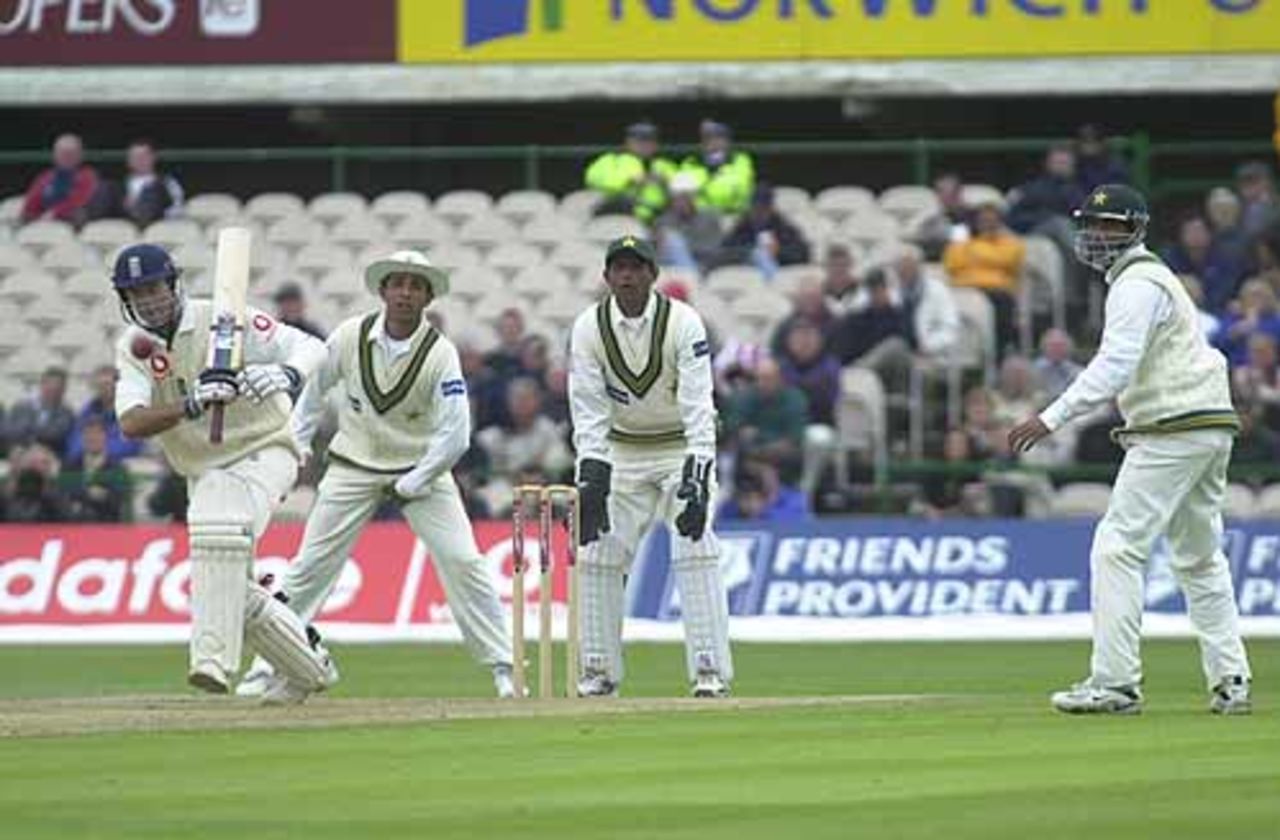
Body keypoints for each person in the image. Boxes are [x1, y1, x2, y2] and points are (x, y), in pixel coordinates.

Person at [1009, 184, 1253, 716]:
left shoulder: (1137, 283)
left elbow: (1115, 364)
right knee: (1198, 556)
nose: (1097, 235)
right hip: (1207, 425)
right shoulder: (1150, 279)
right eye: (1092, 225)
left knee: (1116, 546)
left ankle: (1115, 683)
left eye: (1110, 226)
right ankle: (1231, 678)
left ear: (1135, 230)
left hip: (1173, 427)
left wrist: (1050, 417)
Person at [237, 251, 517, 699]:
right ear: (383, 290)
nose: (405, 292)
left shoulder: (440, 353)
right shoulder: (350, 336)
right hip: (353, 465)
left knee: (464, 560)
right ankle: (268, 663)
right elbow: (313, 395)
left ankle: (505, 668)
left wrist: (418, 477)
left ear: (427, 296)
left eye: (415, 286)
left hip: (421, 470)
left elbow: (456, 433)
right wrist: (293, 450)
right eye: (398, 284)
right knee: (309, 567)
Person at [110, 243, 336, 704]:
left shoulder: (222, 317)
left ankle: (211, 659)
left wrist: (288, 375)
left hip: (266, 448)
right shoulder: (134, 347)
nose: (148, 300)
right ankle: (310, 666)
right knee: (233, 580)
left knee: (215, 527)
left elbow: (311, 347)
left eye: (154, 288)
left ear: (173, 285)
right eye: (136, 293)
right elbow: (131, 422)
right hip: (205, 467)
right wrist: (191, 402)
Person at [568, 236, 734, 697]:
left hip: (680, 447)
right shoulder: (588, 327)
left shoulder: (683, 323)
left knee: (694, 546)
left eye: (636, 267)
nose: (627, 276)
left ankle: (710, 671)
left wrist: (698, 478)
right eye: (618, 268)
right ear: (606, 277)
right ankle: (598, 672)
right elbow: (587, 409)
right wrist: (592, 475)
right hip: (621, 451)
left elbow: (700, 404)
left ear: (652, 275)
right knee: (597, 553)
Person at [943, 201, 1026, 356]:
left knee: (1002, 302)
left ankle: (998, 355)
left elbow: (1007, 260)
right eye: (984, 221)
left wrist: (973, 253)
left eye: (992, 221)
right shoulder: (962, 241)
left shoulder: (1012, 242)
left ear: (1000, 222)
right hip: (965, 291)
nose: (988, 225)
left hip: (997, 292)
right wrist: (985, 254)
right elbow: (951, 264)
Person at [584, 122, 677, 223]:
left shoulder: (665, 165)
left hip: (658, 220)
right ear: (627, 142)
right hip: (620, 217)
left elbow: (683, 192)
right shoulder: (612, 160)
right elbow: (592, 179)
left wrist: (666, 183)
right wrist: (629, 180)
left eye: (649, 141)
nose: (644, 145)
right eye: (639, 141)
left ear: (656, 145)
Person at [715, 185, 810, 279]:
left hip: (778, 273)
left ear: (771, 208)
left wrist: (778, 252)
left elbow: (803, 254)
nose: (759, 214)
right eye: (755, 209)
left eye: (763, 209)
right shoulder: (741, 227)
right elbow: (723, 252)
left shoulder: (783, 227)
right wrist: (749, 253)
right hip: (746, 273)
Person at [61, 415, 131, 522]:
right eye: (88, 433)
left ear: (105, 436)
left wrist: (81, 493)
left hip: (105, 527)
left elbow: (116, 502)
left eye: (97, 433)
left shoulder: (118, 468)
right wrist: (92, 493)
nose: (92, 437)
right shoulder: (70, 465)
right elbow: (63, 495)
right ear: (82, 436)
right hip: (73, 525)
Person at [678, 120, 755, 217]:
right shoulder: (690, 162)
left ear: (727, 141)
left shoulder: (740, 160)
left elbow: (738, 189)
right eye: (707, 138)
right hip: (698, 219)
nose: (713, 143)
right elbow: (684, 194)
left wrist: (703, 190)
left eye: (718, 138)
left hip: (731, 216)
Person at [20, 133, 101, 226]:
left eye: (72, 153)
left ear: (80, 155)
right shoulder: (45, 177)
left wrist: (54, 213)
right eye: (62, 153)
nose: (67, 157)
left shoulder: (88, 176)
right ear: (55, 155)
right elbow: (31, 203)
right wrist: (31, 216)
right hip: (43, 221)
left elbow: (78, 201)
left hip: (71, 223)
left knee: (78, 213)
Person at [3, 366, 76, 457]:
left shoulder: (66, 413)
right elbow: (6, 431)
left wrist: (26, 433)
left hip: (49, 458)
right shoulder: (21, 406)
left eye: (57, 388)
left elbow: (52, 435)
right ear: (41, 385)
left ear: (64, 390)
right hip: (18, 455)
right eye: (49, 385)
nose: (52, 390)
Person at [118, 140, 184, 227]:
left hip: (157, 223)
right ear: (128, 161)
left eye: (144, 156)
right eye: (135, 157)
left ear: (153, 157)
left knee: (150, 190)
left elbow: (177, 208)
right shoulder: (120, 185)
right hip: (128, 224)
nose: (139, 160)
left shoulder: (167, 182)